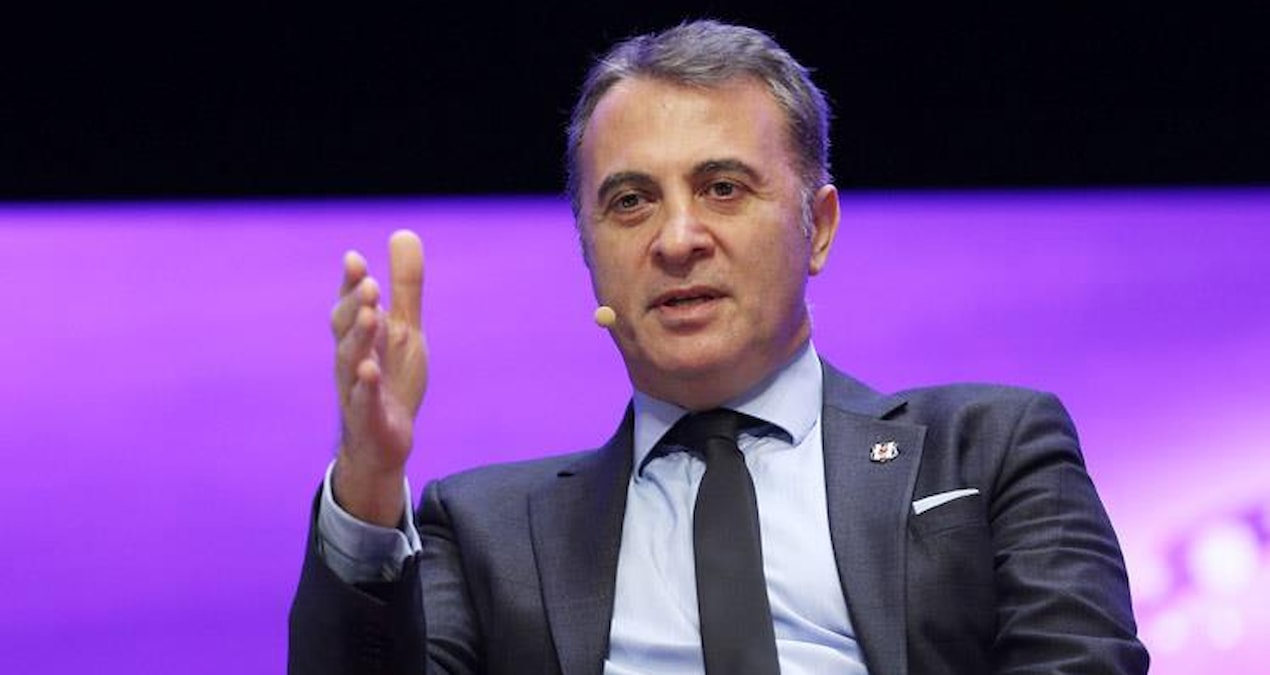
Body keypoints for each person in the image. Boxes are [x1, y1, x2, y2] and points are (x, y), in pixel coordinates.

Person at [289, 20, 1149, 674]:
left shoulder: (992, 450)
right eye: (630, 202)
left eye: (723, 187)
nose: (677, 239)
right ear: (589, 252)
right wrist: (367, 478)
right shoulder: (486, 530)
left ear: (817, 228)